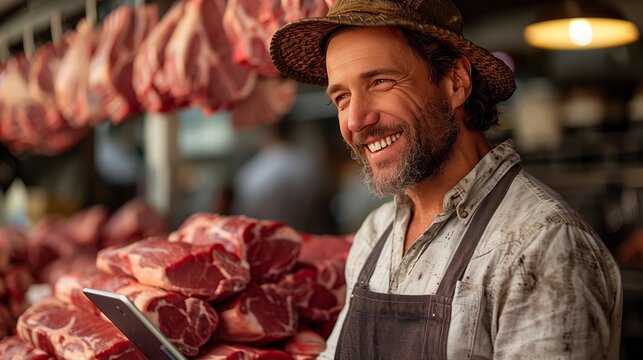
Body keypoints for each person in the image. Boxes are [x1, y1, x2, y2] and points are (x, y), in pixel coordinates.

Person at [270, 0, 623, 359]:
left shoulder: (540, 243)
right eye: (342, 97)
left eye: (380, 81)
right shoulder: (376, 233)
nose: (357, 119)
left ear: (456, 82)